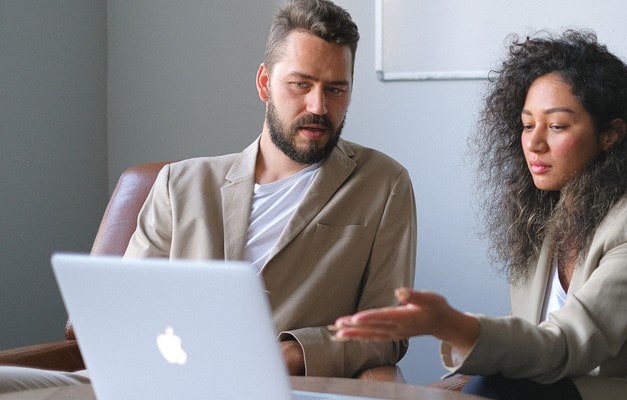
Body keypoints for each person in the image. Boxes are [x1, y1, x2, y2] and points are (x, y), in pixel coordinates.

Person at [332, 30, 627, 399]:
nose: (534, 142)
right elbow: (531, 350)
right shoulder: (544, 220)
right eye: (527, 124)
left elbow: (569, 346)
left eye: (557, 125)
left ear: (610, 135)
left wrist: (451, 325)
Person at [0, 0, 415, 393]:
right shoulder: (179, 183)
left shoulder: (382, 183)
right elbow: (128, 307)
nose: (318, 106)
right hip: (147, 379)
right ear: (265, 84)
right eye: (300, 84)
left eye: (336, 89)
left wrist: (292, 353)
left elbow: (390, 328)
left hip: (275, 387)